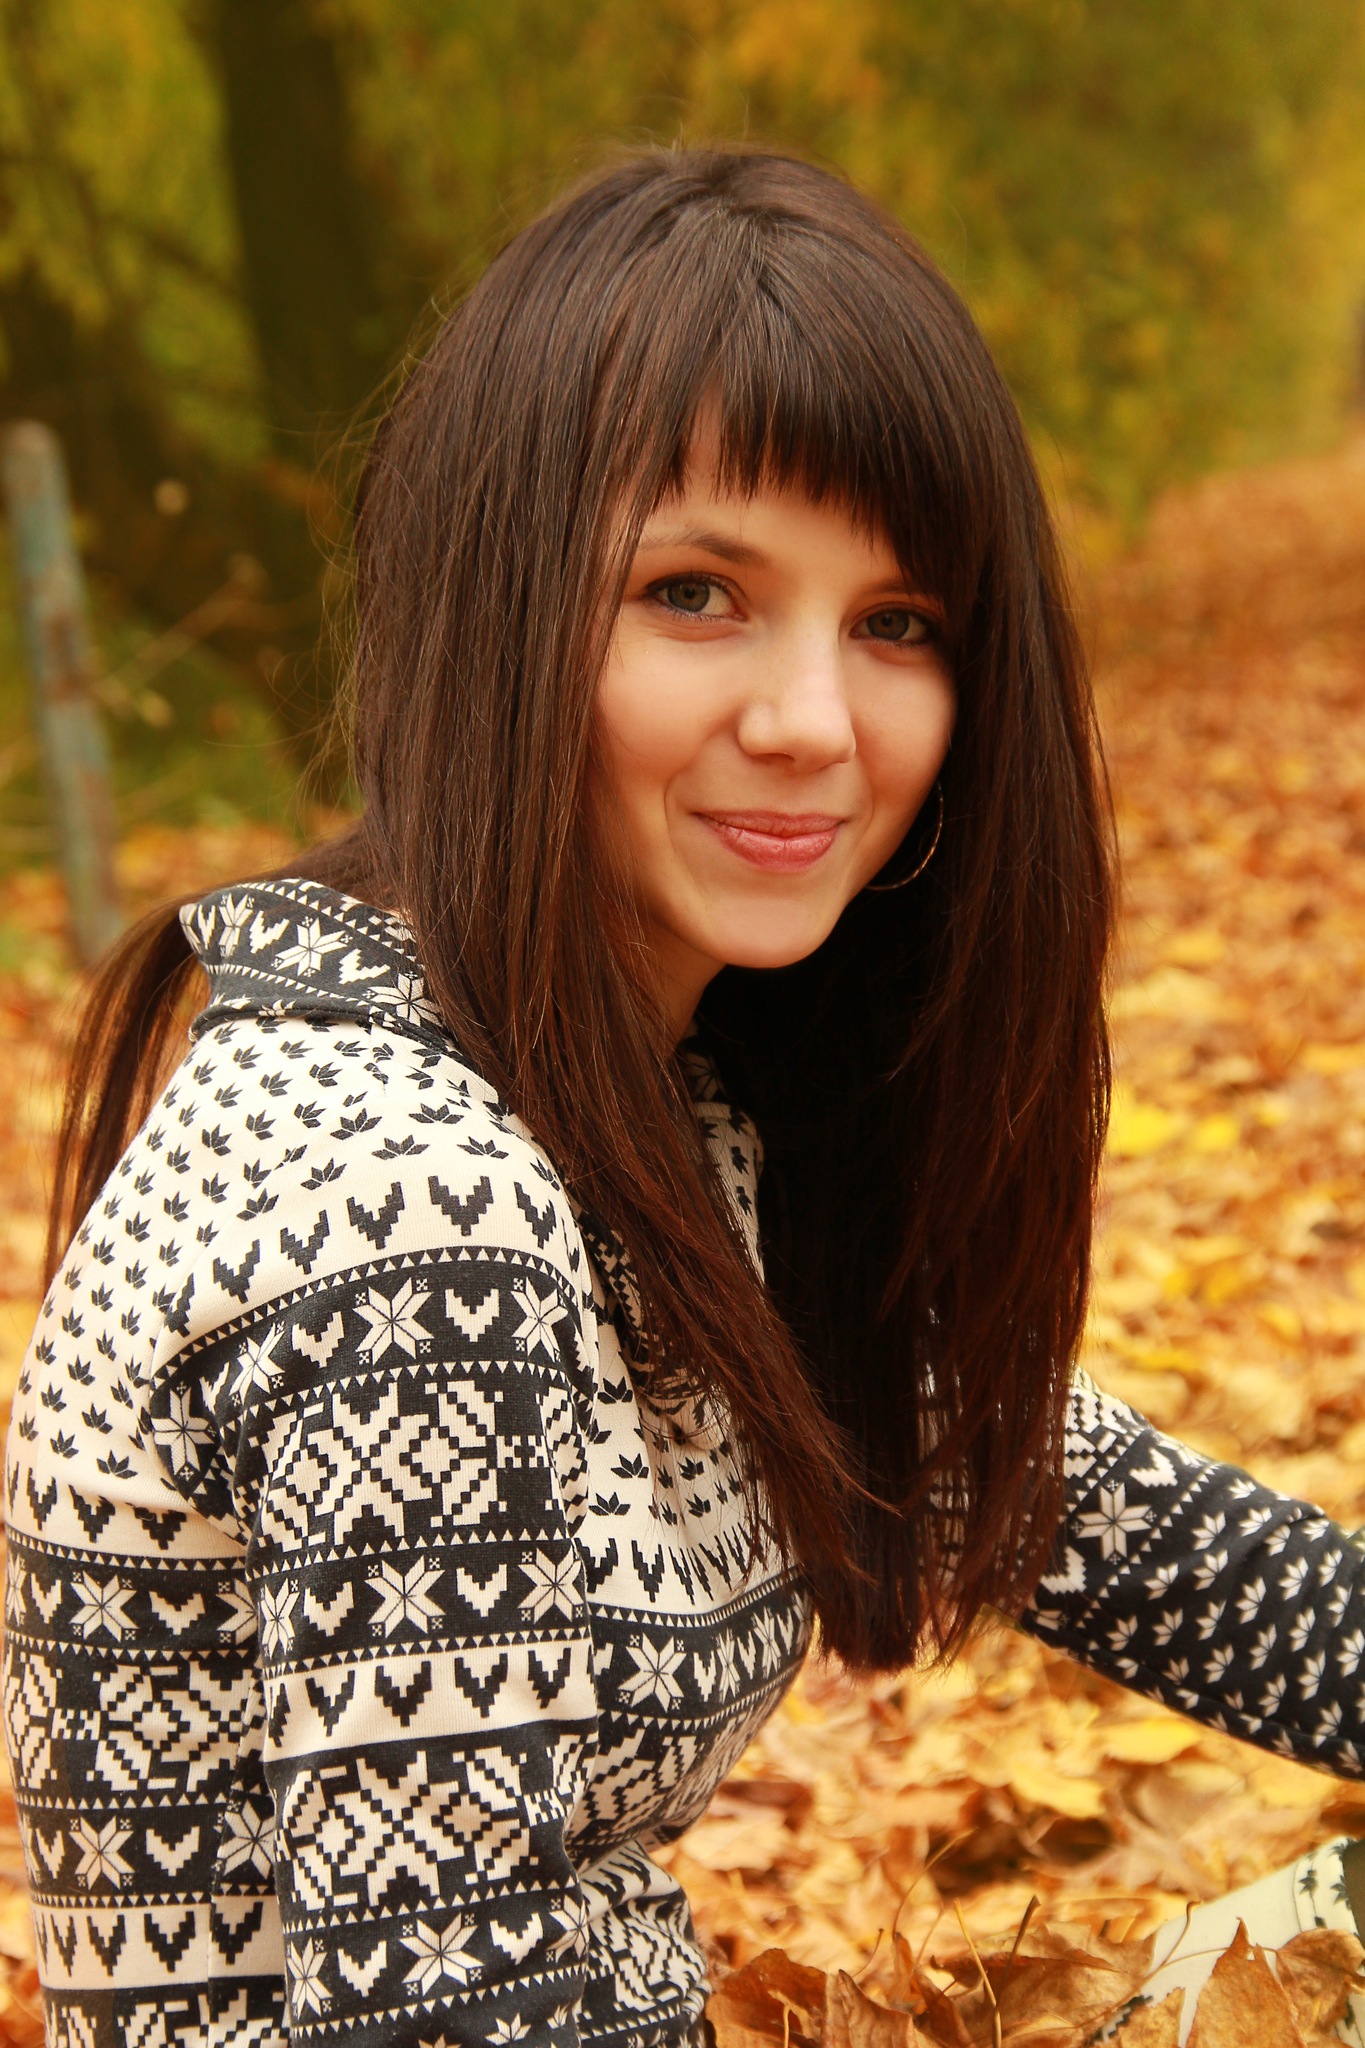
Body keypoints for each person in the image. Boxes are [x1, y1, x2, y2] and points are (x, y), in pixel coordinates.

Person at [5, 147, 1363, 2048]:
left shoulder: (633, 1098)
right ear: (497, 602)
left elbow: (1092, 1517)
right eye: (696, 592)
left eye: (898, 623)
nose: (812, 721)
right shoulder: (398, 1193)